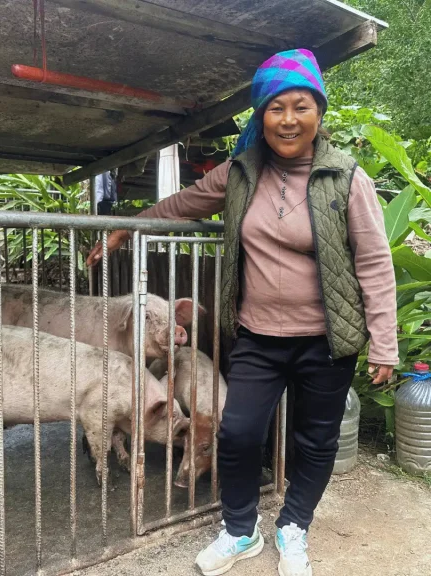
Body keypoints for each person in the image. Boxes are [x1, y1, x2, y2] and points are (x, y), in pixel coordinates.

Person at [87, 49, 397, 576]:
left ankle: (294, 526)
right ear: (261, 115)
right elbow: (182, 203)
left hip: (327, 340)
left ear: (319, 111)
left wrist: (384, 342)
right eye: (276, 108)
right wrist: (126, 228)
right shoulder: (239, 173)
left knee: (315, 440)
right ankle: (240, 530)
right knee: (237, 433)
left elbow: (373, 260)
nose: (289, 120)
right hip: (259, 336)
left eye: (301, 106)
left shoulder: (346, 178)